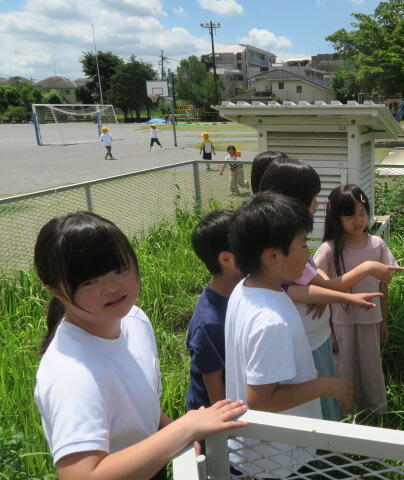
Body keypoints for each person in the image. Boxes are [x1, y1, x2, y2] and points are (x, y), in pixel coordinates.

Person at [33, 212, 246, 480]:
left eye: (121, 269)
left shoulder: (133, 320)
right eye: (90, 281)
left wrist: (170, 429)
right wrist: (183, 429)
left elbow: (139, 404)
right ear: (54, 289)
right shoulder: (71, 374)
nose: (112, 287)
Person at [259, 159, 403, 420]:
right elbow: (314, 285)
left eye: (363, 213)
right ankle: (343, 417)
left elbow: (314, 281)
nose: (317, 205)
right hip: (313, 338)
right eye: (311, 198)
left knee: (366, 367)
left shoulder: (289, 247)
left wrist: (326, 294)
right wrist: (357, 277)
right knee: (330, 382)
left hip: (321, 336)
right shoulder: (296, 250)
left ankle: (364, 412)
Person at [225, 193, 353, 477]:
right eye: (303, 244)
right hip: (279, 457)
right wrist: (326, 386)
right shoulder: (270, 321)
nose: (308, 254)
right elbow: (262, 400)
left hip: (260, 450)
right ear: (273, 256)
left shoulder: (246, 289)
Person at [314, 184, 400, 415]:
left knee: (371, 366)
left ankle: (376, 410)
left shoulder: (377, 245)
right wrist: (329, 331)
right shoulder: (329, 249)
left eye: (362, 213)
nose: (358, 220)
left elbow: (383, 285)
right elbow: (319, 287)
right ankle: (346, 412)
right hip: (341, 322)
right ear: (336, 218)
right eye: (350, 215)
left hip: (371, 319)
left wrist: (383, 321)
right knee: (345, 367)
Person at [186, 210, 243, 413]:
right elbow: (216, 393)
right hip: (214, 419)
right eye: (247, 246)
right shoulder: (209, 323)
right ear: (227, 259)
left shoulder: (240, 292)